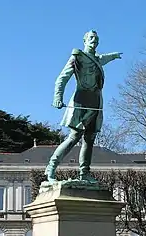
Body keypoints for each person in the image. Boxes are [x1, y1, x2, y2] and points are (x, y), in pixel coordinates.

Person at [45, 30, 122, 183]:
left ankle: (84, 173)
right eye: (91, 38)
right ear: (84, 40)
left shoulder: (97, 59)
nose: (94, 40)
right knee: (74, 137)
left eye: (96, 39)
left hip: (96, 102)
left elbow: (102, 59)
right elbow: (62, 78)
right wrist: (57, 97)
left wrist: (113, 55)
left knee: (89, 139)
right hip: (81, 100)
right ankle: (51, 167)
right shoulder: (78, 56)